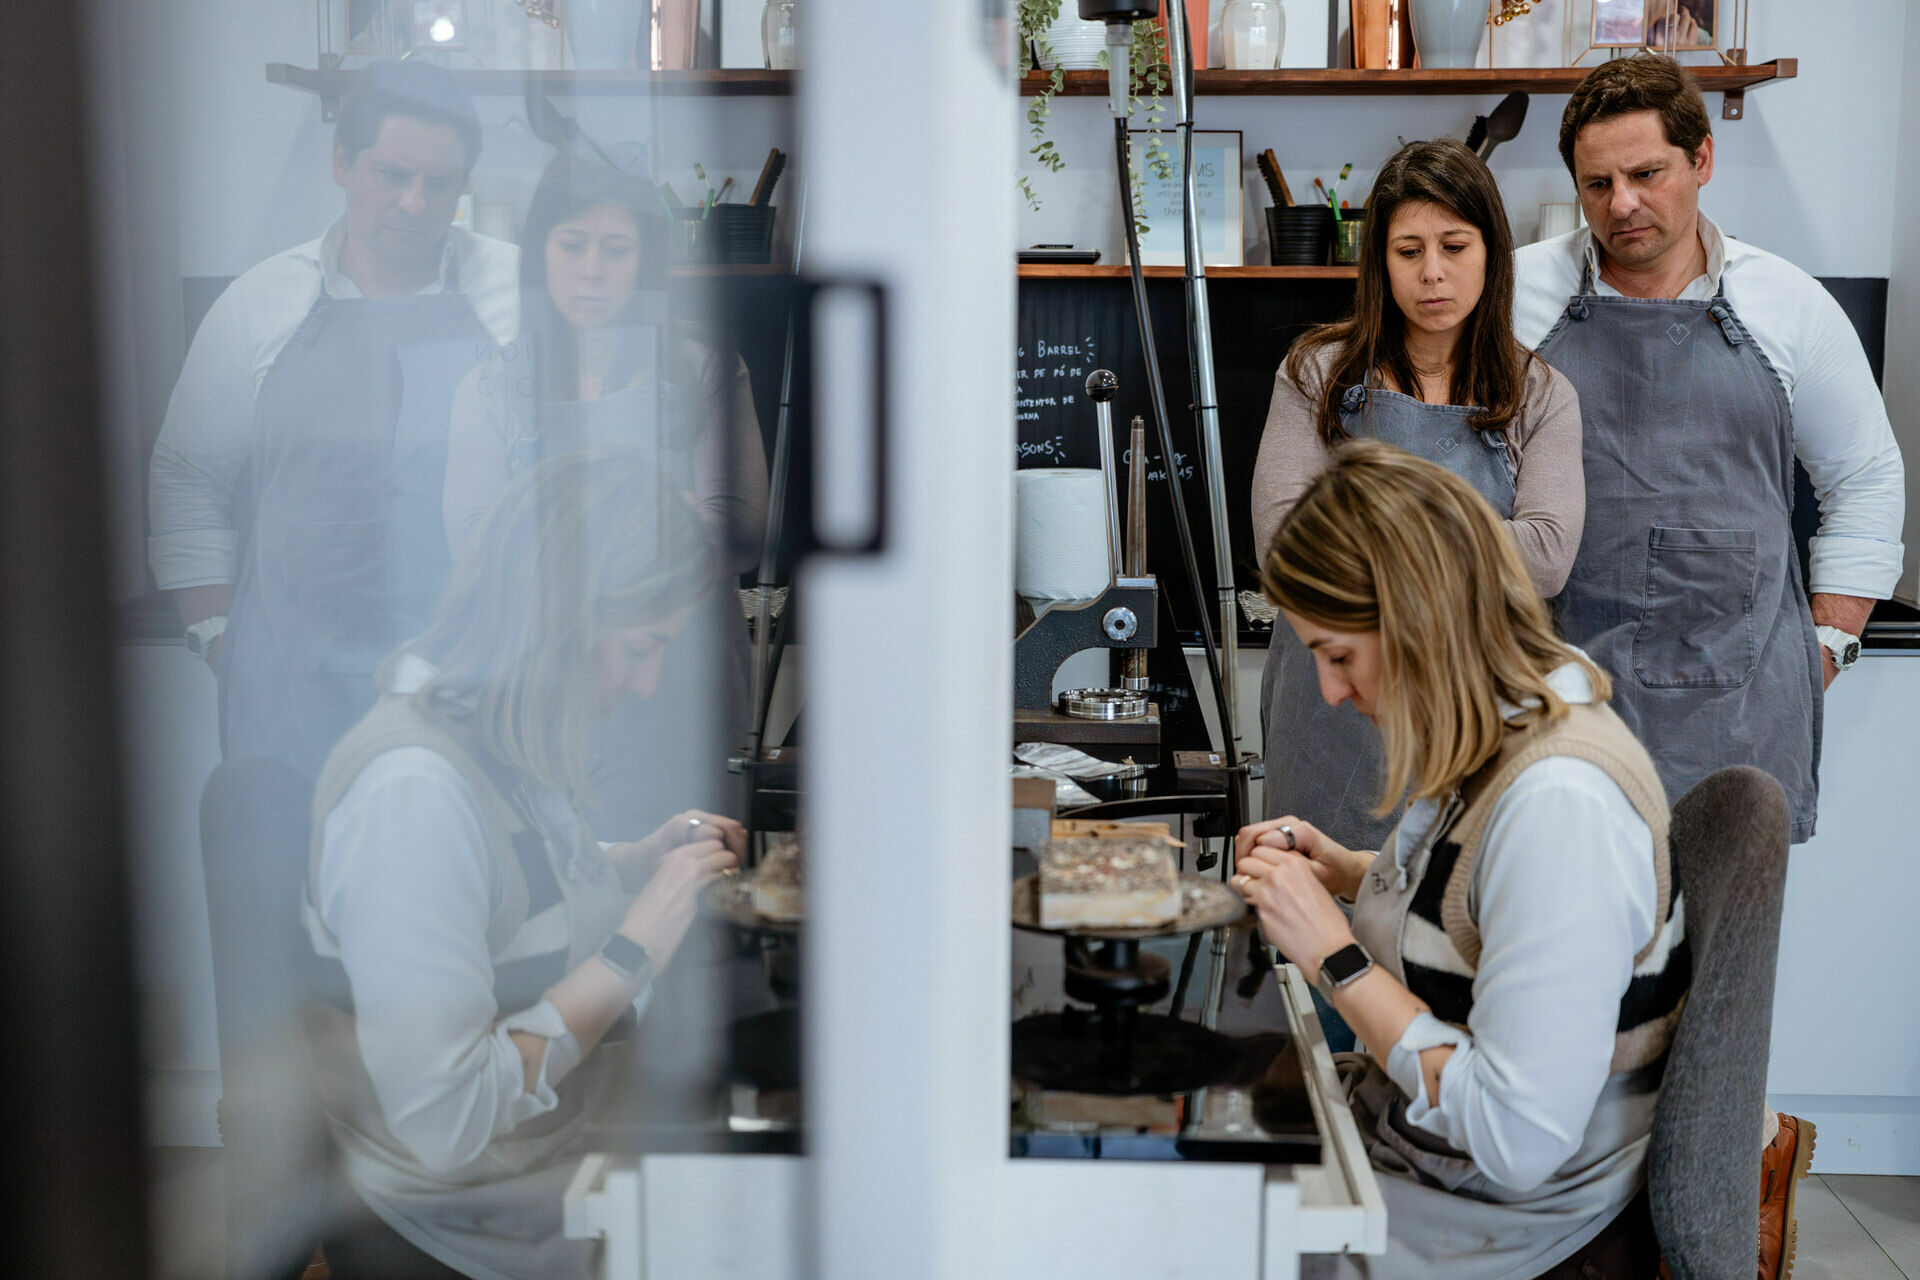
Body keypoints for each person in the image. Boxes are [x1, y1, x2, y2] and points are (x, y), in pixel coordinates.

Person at [1514, 58, 1904, 1269]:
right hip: (1567, 706)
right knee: (1575, 989)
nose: (1623, 204)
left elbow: (1866, 479)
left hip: (1739, 698)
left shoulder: (1786, 305)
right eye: (1597, 184)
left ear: (1702, 161)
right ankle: (1595, 1233)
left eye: (1646, 174)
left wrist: (1826, 641)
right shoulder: (1524, 296)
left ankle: (1727, 1199)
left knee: (1717, 998)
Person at [1235, 440, 1687, 1280]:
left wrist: (1334, 955)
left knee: (1170, 1231)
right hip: (1425, 1157)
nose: (1330, 691)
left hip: (1502, 1220)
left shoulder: (1561, 804)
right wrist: (1348, 871)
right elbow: (1477, 911)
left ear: (1419, 623)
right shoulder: (1504, 727)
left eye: (1338, 655)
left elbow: (1516, 1141)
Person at [303, 448, 742, 1279]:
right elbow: (447, 1123)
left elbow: (499, 889)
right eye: (639, 649)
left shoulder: (494, 729)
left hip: (551, 1182)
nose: (648, 684)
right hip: (467, 1235)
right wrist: (633, 950)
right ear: (562, 622)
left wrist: (630, 865)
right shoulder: (412, 793)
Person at [147, 58, 519, 781]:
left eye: (439, 184)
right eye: (392, 175)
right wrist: (218, 637)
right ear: (342, 163)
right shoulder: (262, 304)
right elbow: (187, 478)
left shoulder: (515, 294)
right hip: (290, 699)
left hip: (471, 692)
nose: (414, 203)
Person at [1253, 138, 1585, 854]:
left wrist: (1364, 535)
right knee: (1311, 898)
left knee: (1451, 907)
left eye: (1454, 246)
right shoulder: (1315, 373)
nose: (1432, 272)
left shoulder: (1541, 394)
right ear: (1381, 262)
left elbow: (1548, 557)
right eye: (1408, 251)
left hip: (1473, 714)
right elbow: (1284, 544)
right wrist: (1476, 541)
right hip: (1329, 710)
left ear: (1492, 253)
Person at [443, 156, 767, 839]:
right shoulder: (493, 386)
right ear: (541, 252)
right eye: (573, 245)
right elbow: (479, 546)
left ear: (646, 260)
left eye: (616, 250)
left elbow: (736, 531)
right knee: (562, 877)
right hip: (541, 693)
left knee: (689, 873)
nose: (592, 270)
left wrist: (554, 534)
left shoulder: (700, 369)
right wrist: (663, 522)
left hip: (681, 686)